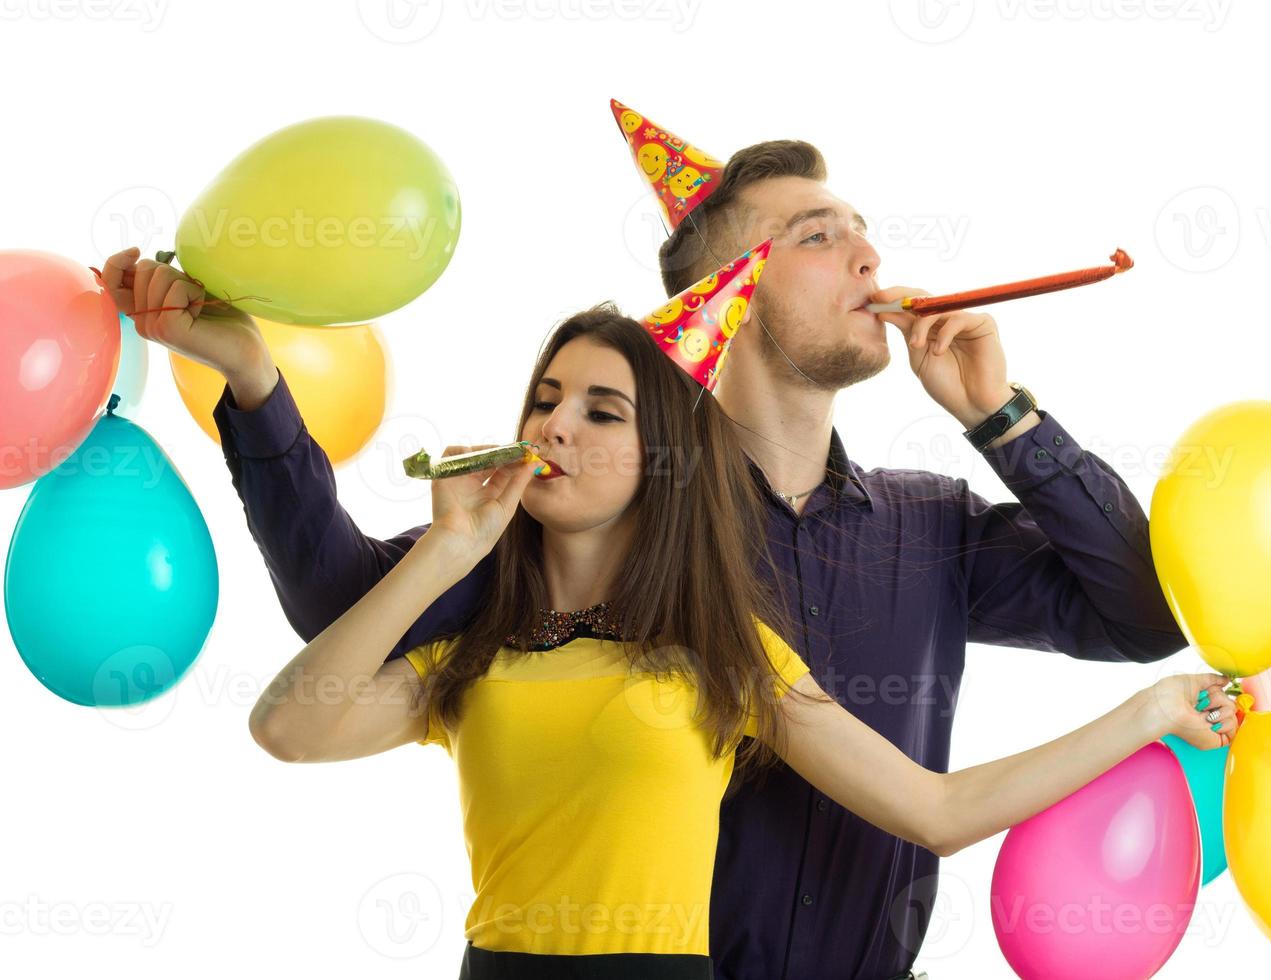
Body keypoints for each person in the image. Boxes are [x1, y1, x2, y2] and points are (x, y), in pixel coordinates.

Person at [98, 110, 1204, 980]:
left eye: (863, 226)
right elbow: (339, 613)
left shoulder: (931, 523)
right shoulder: (600, 515)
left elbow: (1142, 616)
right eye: (818, 235)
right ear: (726, 295)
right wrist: (251, 378)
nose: (869, 253)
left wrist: (999, 414)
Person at [242, 301, 1237, 979]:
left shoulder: (723, 653)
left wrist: (1147, 709)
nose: (556, 428)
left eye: (601, 410)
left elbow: (936, 809)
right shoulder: (474, 654)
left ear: (659, 461)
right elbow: (285, 726)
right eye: (543, 402)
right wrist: (448, 548)